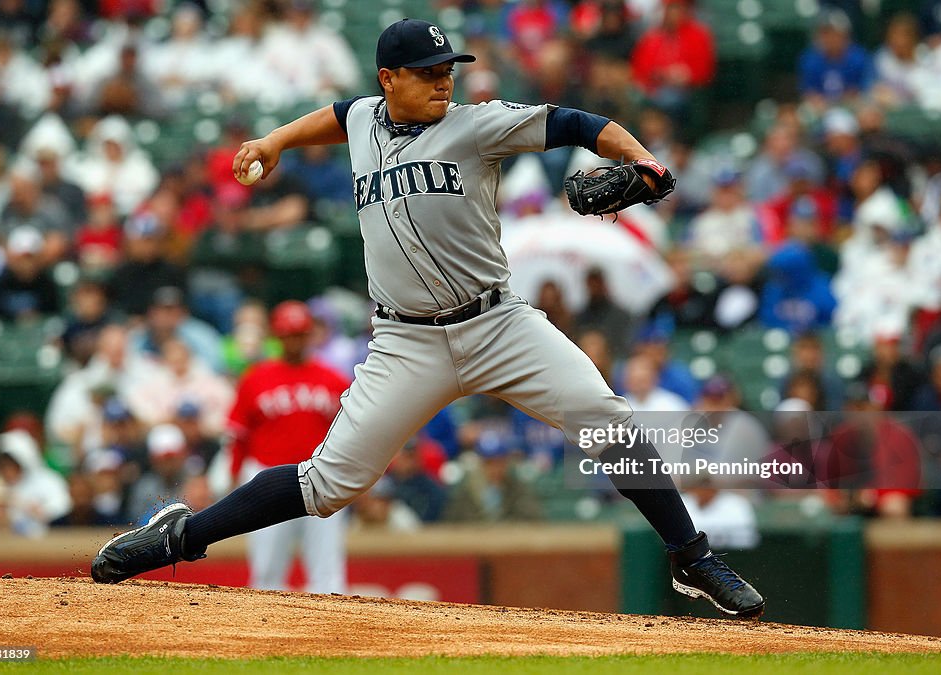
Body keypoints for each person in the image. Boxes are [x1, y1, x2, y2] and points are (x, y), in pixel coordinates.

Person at [91, 18, 764, 618]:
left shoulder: (475, 124)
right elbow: (335, 113)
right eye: (428, 73)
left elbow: (577, 123)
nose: (444, 82)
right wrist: (274, 141)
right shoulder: (362, 119)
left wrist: (639, 158)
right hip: (406, 340)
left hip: (498, 324)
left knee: (604, 415)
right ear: (389, 79)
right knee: (328, 484)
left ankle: (691, 555)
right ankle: (181, 534)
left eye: (448, 71)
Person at [225, 301, 349, 592]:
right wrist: (233, 477)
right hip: (267, 476)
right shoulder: (255, 379)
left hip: (321, 477)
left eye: (299, 334)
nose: (294, 340)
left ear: (309, 335)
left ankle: (330, 633)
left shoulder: (332, 379)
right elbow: (239, 436)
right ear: (277, 337)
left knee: (327, 571)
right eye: (288, 334)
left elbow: (352, 434)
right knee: (267, 568)